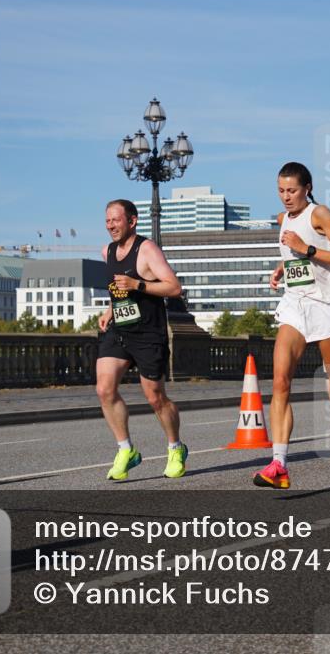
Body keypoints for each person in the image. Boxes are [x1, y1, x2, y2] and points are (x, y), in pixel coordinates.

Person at [254, 162, 330, 489]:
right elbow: (293, 253)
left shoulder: (320, 214)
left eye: (292, 190)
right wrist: (283, 268)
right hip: (295, 306)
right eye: (280, 191)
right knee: (280, 381)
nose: (285, 197)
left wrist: (305, 249)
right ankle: (279, 463)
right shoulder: (283, 219)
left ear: (307, 188)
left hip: (324, 307)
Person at [96, 199, 187, 480]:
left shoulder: (146, 249)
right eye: (107, 220)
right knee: (104, 388)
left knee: (155, 397)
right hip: (120, 330)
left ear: (132, 221)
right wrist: (110, 310)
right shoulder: (107, 251)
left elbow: (174, 287)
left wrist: (139, 284)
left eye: (116, 220)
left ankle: (175, 447)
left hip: (148, 332)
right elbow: (119, 289)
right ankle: (126, 449)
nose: (111, 225)